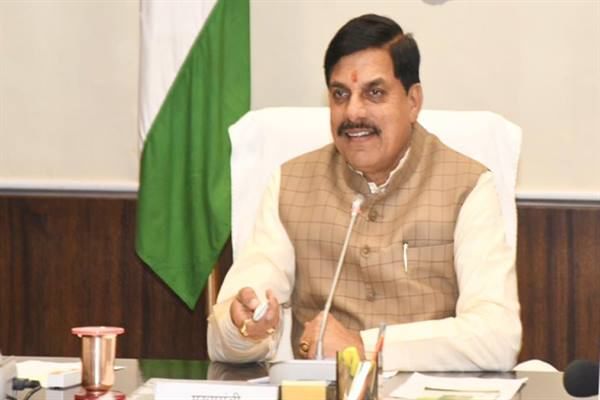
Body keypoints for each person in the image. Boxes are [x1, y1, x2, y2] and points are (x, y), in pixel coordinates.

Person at [207, 14, 521, 371]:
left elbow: (497, 337)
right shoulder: (290, 183)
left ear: (413, 101)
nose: (353, 112)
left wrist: (363, 347)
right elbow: (224, 334)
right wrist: (242, 328)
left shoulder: (468, 185)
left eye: (375, 93)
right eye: (340, 94)